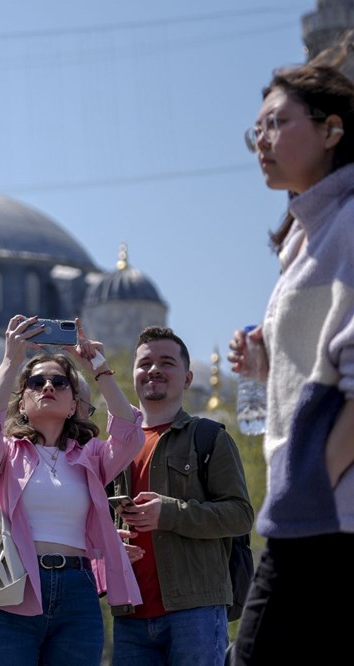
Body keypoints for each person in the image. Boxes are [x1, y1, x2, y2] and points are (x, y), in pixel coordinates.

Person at [228, 51, 354, 664]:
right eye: (258, 129)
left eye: (278, 123)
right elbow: (320, 365)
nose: (263, 141)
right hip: (309, 509)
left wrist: (314, 479)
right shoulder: (304, 237)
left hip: (327, 514)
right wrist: (265, 366)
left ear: (333, 130)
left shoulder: (348, 225)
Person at [0, 314, 144, 665]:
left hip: (77, 591)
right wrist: (11, 360)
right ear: (21, 402)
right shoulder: (2, 453)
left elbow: (129, 434)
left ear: (75, 404)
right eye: (36, 381)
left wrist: (100, 368)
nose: (48, 386)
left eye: (60, 382)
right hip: (13, 585)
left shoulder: (91, 456)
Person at [110, 326, 253, 665]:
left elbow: (240, 515)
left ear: (187, 378)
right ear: (133, 376)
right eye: (145, 363)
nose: (154, 370)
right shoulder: (117, 447)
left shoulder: (208, 437)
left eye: (166, 363)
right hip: (130, 613)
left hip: (196, 611)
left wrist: (169, 514)